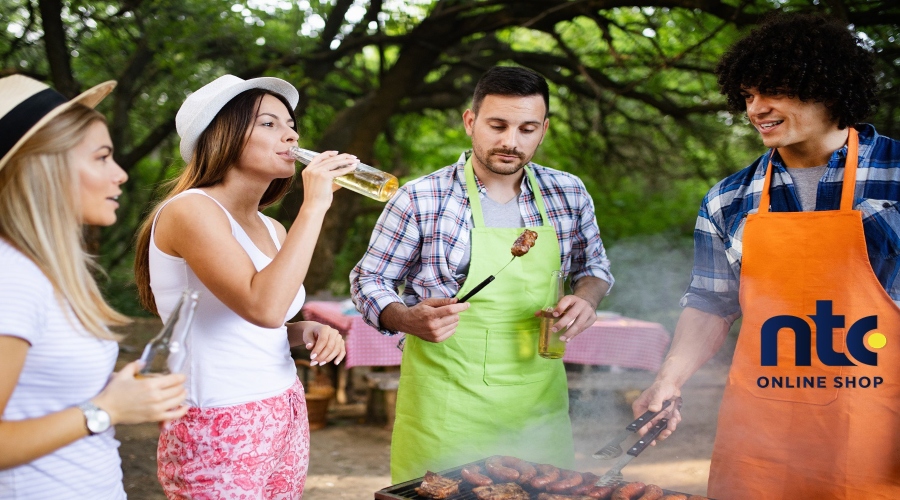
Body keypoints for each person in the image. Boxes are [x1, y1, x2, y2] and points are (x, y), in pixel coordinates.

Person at [632, 13, 900, 499]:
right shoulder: (728, 199)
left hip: (877, 426)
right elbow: (710, 304)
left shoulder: (896, 175)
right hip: (764, 435)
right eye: (748, 95)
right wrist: (668, 380)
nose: (756, 108)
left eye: (772, 91)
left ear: (827, 87)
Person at [351, 65, 614, 482]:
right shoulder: (421, 197)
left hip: (537, 404)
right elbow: (370, 280)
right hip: (446, 407)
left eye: (527, 129)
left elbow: (594, 269)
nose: (511, 142)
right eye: (498, 125)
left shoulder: (569, 192)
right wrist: (405, 318)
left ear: (543, 130)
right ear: (471, 122)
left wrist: (586, 298)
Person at [133, 74, 350, 498]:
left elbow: (263, 323)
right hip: (217, 419)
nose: (291, 133)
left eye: (290, 123)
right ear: (222, 136)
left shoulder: (273, 227)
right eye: (269, 123)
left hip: (283, 407)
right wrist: (315, 205)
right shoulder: (191, 210)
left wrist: (302, 331)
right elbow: (262, 305)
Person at [0, 75, 188, 498]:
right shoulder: (11, 279)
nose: (120, 174)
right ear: (42, 167)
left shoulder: (44, 269)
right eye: (102, 158)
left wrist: (122, 395)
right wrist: (106, 409)